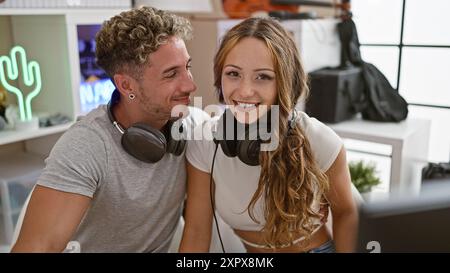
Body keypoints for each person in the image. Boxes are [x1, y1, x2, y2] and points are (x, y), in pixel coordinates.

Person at [11, 6, 209, 252]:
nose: (191, 85)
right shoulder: (87, 146)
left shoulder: (193, 126)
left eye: (187, 67)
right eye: (171, 74)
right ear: (126, 85)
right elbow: (38, 246)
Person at [179, 17, 358, 253]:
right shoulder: (204, 142)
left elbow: (347, 214)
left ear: (285, 82)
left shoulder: (319, 139)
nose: (244, 90)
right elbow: (197, 231)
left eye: (262, 76)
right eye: (233, 73)